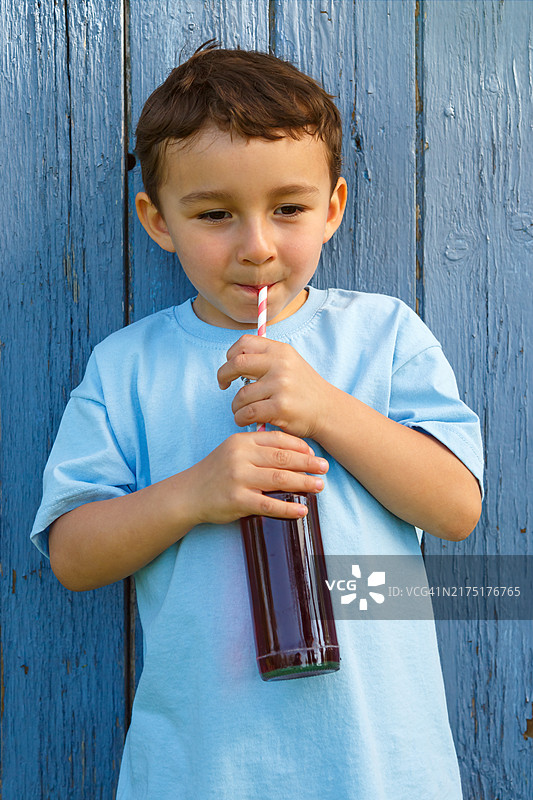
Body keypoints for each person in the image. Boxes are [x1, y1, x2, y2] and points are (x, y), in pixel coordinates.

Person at [31, 41, 483, 799]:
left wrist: (326, 408)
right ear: (158, 219)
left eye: (289, 209)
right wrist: (196, 493)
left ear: (332, 208)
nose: (257, 247)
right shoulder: (127, 366)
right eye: (214, 214)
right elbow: (73, 556)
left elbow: (456, 508)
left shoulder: (385, 336)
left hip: (377, 765)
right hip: (203, 769)